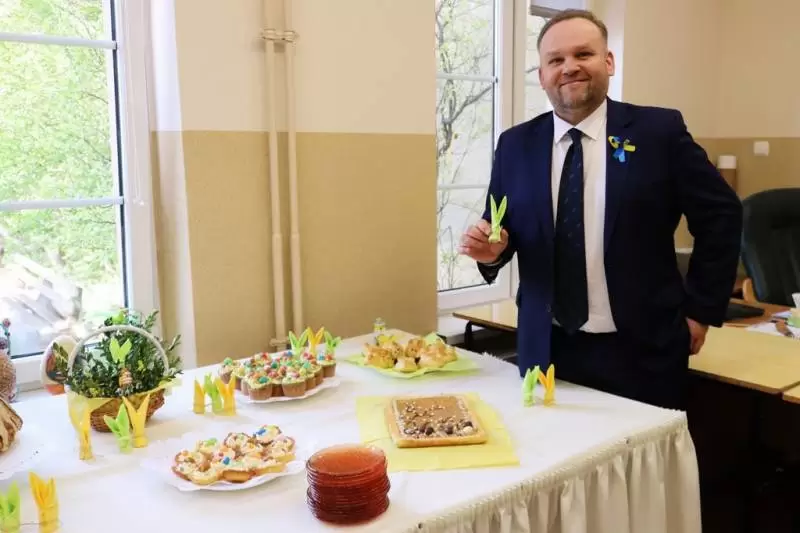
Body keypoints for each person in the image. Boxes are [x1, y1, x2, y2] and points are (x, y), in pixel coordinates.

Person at [459, 9, 742, 410]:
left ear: (608, 61)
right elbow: (500, 230)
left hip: (642, 354)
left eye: (583, 54)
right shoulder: (515, 145)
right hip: (547, 351)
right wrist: (492, 253)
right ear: (542, 75)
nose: (569, 67)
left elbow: (722, 215)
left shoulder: (658, 133)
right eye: (555, 59)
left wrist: (701, 310)